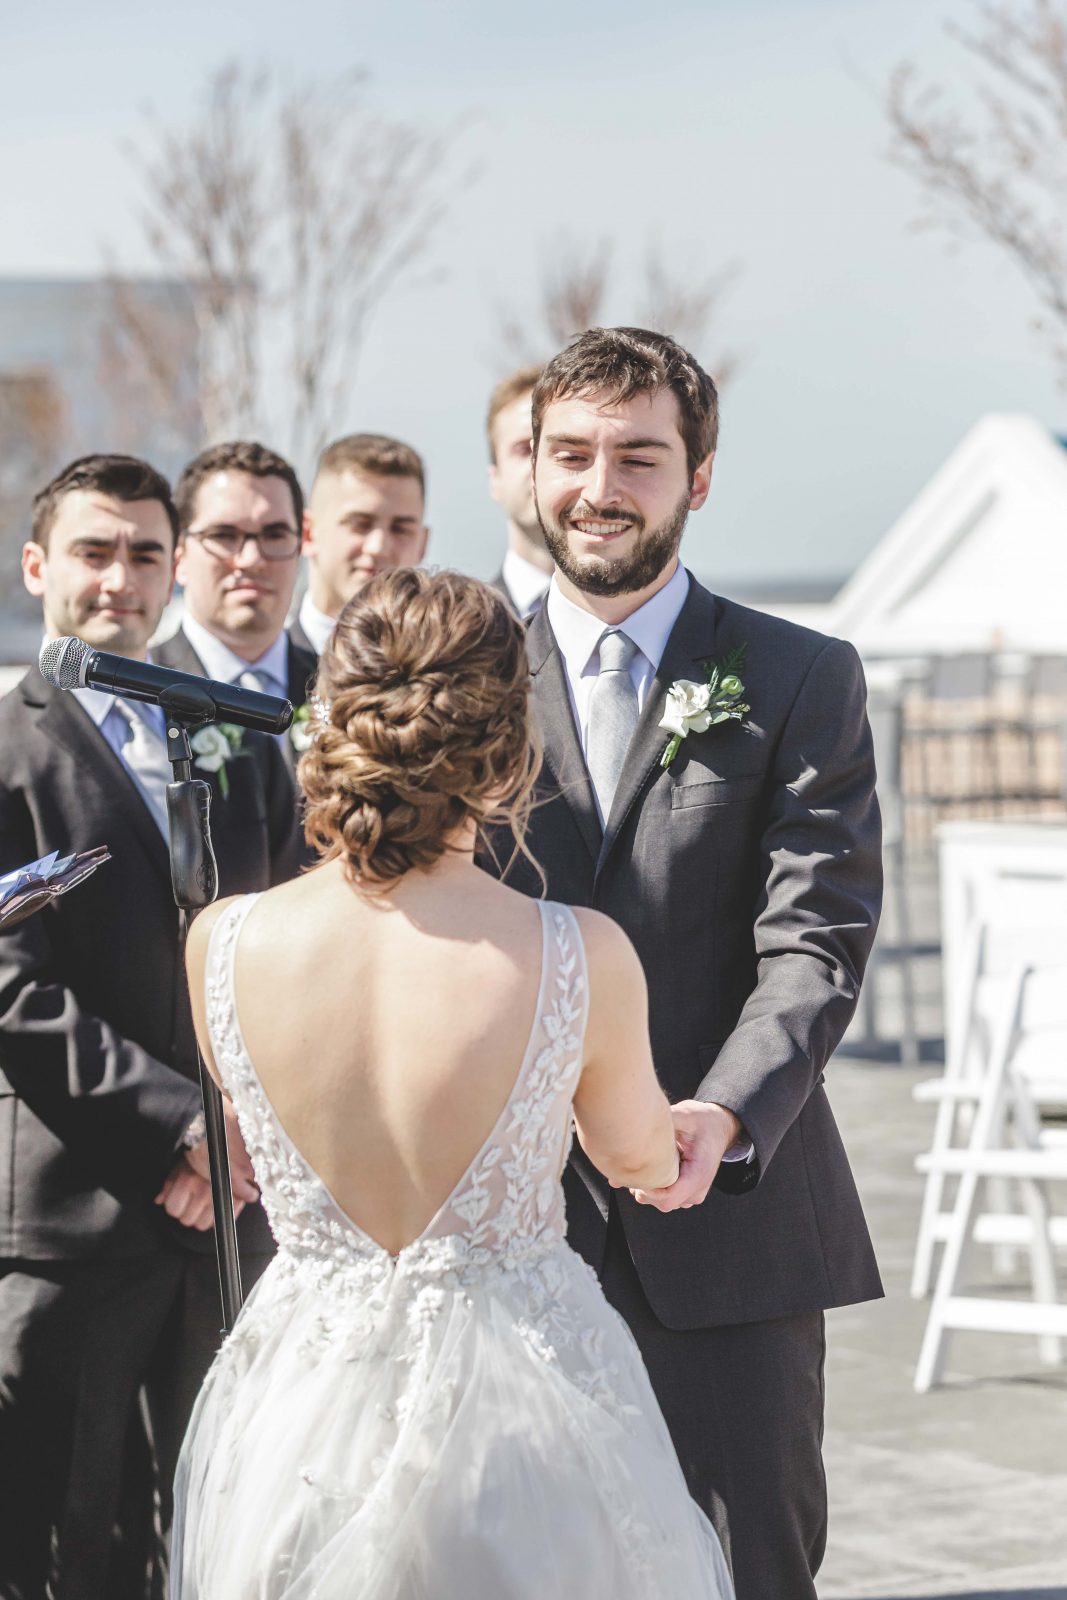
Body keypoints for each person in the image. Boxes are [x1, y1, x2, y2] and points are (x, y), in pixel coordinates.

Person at [172, 568, 734, 1600]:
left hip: (300, 1402)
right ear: (507, 749)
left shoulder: (221, 942)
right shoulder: (575, 953)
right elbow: (633, 1156)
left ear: (330, 721)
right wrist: (680, 1141)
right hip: (517, 1407)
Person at [482, 327, 884, 1600]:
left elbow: (814, 940)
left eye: (638, 457)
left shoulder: (797, 674)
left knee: (750, 1570)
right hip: (504, 1230)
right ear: (530, 467)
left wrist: (722, 1109)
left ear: (697, 477)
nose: (598, 486)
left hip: (727, 1228)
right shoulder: (458, 676)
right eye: (571, 454)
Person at [0, 455, 302, 1600]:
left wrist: (240, 1143)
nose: (118, 577)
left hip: (231, 1213)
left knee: (230, 1514)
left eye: (140, 552)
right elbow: (13, 985)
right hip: (74, 1213)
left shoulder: (228, 742)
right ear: (38, 567)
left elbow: (284, 951)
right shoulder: (8, 749)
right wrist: (181, 1127)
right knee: (72, 1532)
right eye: (92, 550)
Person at [158, 440, 317, 771]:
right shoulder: (140, 696)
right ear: (179, 555)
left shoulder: (342, 691)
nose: (251, 559)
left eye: (274, 535)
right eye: (224, 535)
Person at [292, 432, 429, 657]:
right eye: (360, 524)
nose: (378, 547)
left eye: (400, 529)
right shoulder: (261, 678)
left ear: (422, 544)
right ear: (308, 533)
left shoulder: (444, 678)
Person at [486, 363, 554, 618]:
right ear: (495, 479)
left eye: (562, 451)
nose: (541, 466)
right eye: (524, 449)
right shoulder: (457, 631)